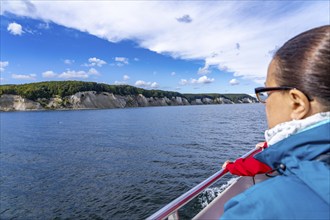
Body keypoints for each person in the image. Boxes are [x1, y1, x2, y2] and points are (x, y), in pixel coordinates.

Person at [221, 25, 330, 219]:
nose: (265, 102)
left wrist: (230, 167)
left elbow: (257, 164)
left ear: (296, 103)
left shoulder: (255, 210)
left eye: (267, 92)